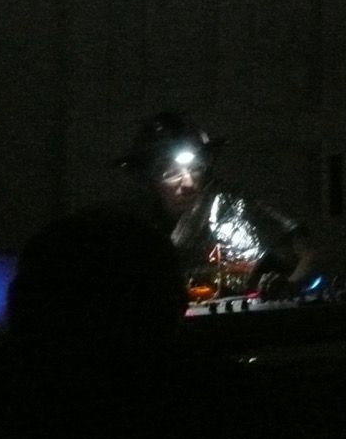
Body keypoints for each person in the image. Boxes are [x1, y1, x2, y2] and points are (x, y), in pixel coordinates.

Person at [116, 110, 317, 301]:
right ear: (150, 181)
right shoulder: (134, 225)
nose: (188, 183)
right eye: (172, 174)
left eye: (195, 169)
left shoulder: (228, 204)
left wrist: (290, 284)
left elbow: (310, 251)